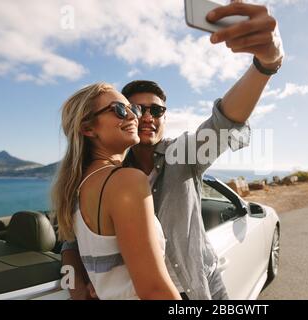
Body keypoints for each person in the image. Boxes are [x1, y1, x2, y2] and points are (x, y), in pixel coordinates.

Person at [61, 0, 284, 300]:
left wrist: (266, 64)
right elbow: (72, 240)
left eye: (158, 110)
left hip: (196, 287)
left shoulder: (182, 155)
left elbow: (224, 123)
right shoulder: (104, 176)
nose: (146, 116)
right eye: (134, 109)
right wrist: (79, 286)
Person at [52, 83, 181, 300]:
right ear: (88, 128)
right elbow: (154, 291)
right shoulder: (126, 181)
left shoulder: (79, 187)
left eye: (133, 109)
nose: (133, 117)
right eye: (119, 109)